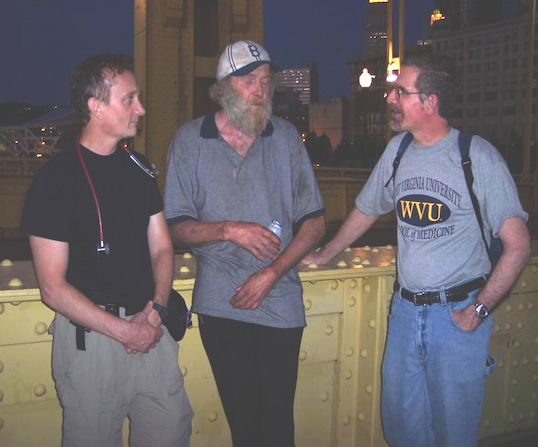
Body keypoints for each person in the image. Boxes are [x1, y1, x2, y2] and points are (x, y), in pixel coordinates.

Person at [302, 53, 531, 447]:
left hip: (456, 316)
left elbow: (518, 245)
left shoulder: (476, 157)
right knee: (401, 429)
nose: (391, 99)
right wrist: (326, 254)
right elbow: (366, 209)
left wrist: (478, 311)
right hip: (406, 312)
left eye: (400, 92)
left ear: (430, 103)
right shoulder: (398, 152)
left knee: (452, 435)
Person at [20, 54, 193, 447]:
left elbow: (162, 247)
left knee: (171, 434)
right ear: (95, 107)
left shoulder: (140, 169)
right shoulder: (54, 182)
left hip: (151, 328)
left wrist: (157, 312)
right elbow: (52, 287)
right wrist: (123, 331)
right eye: (129, 99)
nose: (141, 108)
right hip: (92, 343)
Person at [164, 40, 326, 447]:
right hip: (223, 303)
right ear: (223, 87)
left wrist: (273, 272)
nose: (261, 89)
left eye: (266, 81)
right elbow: (175, 226)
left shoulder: (286, 138)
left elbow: (315, 223)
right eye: (250, 80)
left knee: (277, 426)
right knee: (245, 425)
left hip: (280, 299)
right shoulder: (188, 141)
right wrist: (229, 229)